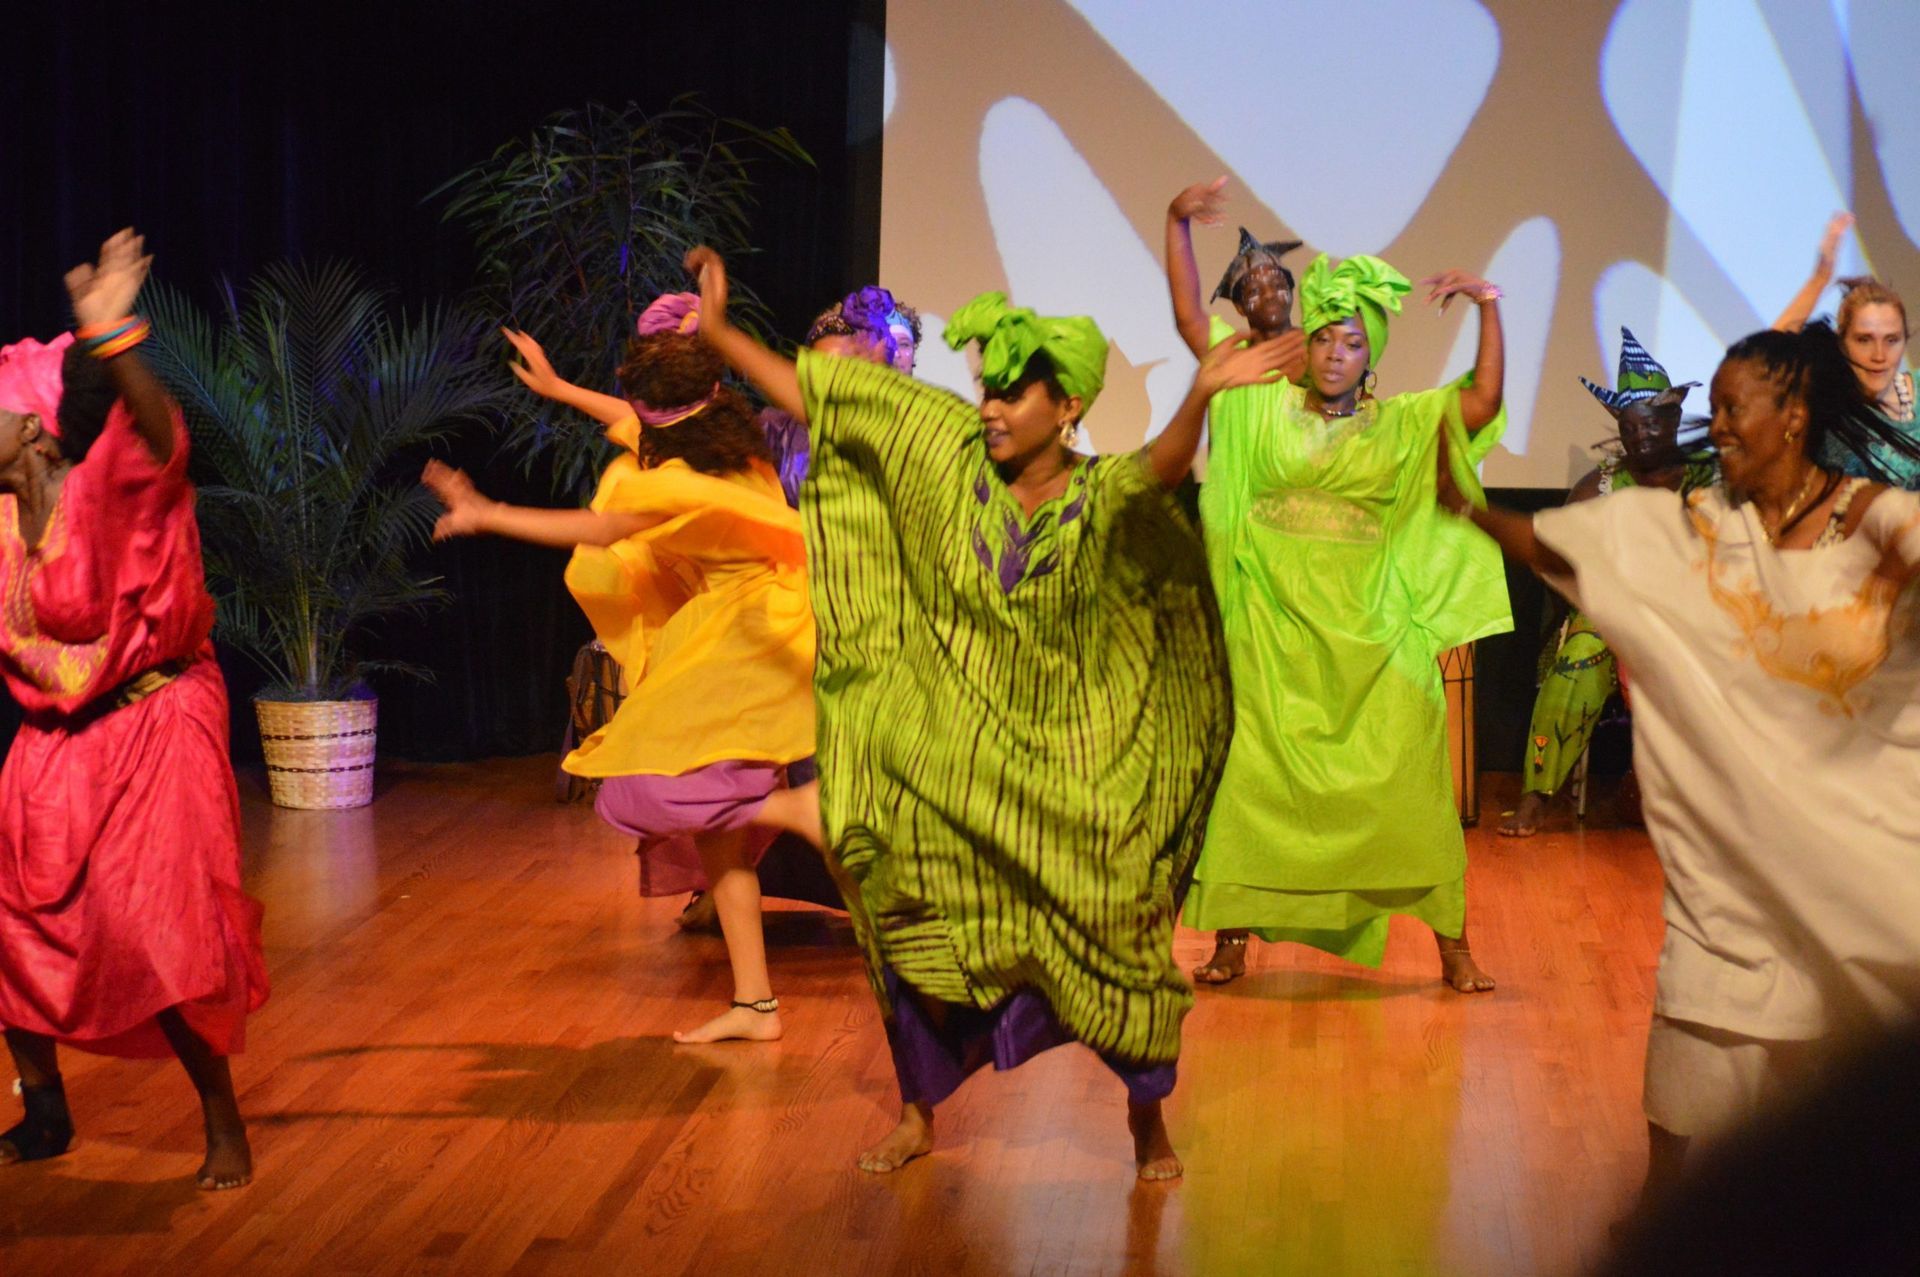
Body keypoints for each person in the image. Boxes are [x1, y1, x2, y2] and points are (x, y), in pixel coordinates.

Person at [687, 243, 1291, 1179]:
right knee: (901, 894)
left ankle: (1146, 1118)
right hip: (954, 747)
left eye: (1016, 395)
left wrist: (1203, 395)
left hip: (1073, 756)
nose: (994, 408)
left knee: (1120, 923)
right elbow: (834, 400)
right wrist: (724, 333)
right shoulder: (946, 454)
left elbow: (1156, 471)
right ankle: (918, 1110)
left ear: (1071, 407)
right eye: (990, 392)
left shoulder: (1097, 496)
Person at [1444, 320, 1920, 1211]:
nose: (1721, 424)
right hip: (1728, 884)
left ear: (1795, 415)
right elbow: (1563, 548)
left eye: (1735, 406)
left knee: (1840, 1141)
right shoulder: (1691, 529)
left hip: (1854, 875)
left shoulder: (1880, 523)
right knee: (1686, 1075)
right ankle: (1660, 1217)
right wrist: (1465, 506)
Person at [422, 293, 819, 1045]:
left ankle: (796, 812)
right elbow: (638, 420)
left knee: (659, 776)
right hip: (766, 616)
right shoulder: (728, 436)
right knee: (714, 833)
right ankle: (755, 1002)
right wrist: (559, 387)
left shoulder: (673, 480)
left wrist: (487, 511)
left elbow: (598, 525)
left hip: (749, 630)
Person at [1166, 204, 1512, 992]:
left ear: (1371, 354)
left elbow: (1482, 404)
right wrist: (1176, 223)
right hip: (1271, 633)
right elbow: (1194, 320)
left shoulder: (1400, 425)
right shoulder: (1257, 404)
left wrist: (1490, 306)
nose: (1334, 353)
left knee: (1411, 787)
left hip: (1374, 635)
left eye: (1352, 341)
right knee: (1251, 786)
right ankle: (1231, 937)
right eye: (1322, 336)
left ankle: (1453, 944)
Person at [0, 229, 270, 1190]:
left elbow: (162, 435)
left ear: (33, 429)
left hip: (157, 718)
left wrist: (113, 337)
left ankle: (221, 1118)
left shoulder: (111, 481)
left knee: (161, 930)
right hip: (52, 738)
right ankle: (44, 1109)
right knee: (14, 931)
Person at [1500, 329, 1714, 837]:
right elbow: (1556, 557)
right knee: (1578, 660)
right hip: (1611, 618)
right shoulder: (1597, 486)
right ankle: (1536, 799)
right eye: (1629, 427)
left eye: (1650, 425)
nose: (1640, 436)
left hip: (1694, 620)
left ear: (1674, 419)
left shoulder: (1707, 479)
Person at [1773, 212, 1919, 487]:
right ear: (1842, 343)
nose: (1879, 355)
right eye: (1864, 339)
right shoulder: (1827, 410)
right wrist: (1819, 280)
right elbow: (1760, 363)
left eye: (1891, 340)